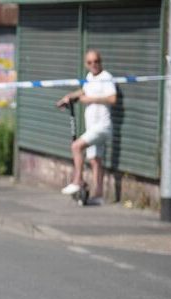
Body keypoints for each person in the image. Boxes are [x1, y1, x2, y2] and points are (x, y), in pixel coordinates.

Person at [57, 49, 116, 204]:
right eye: (90, 62)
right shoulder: (90, 77)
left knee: (76, 147)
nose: (93, 65)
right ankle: (98, 195)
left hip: (102, 126)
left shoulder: (106, 77)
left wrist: (90, 99)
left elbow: (112, 98)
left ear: (100, 62)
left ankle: (77, 180)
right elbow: (84, 91)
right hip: (92, 127)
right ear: (86, 64)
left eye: (96, 61)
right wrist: (69, 97)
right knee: (95, 160)